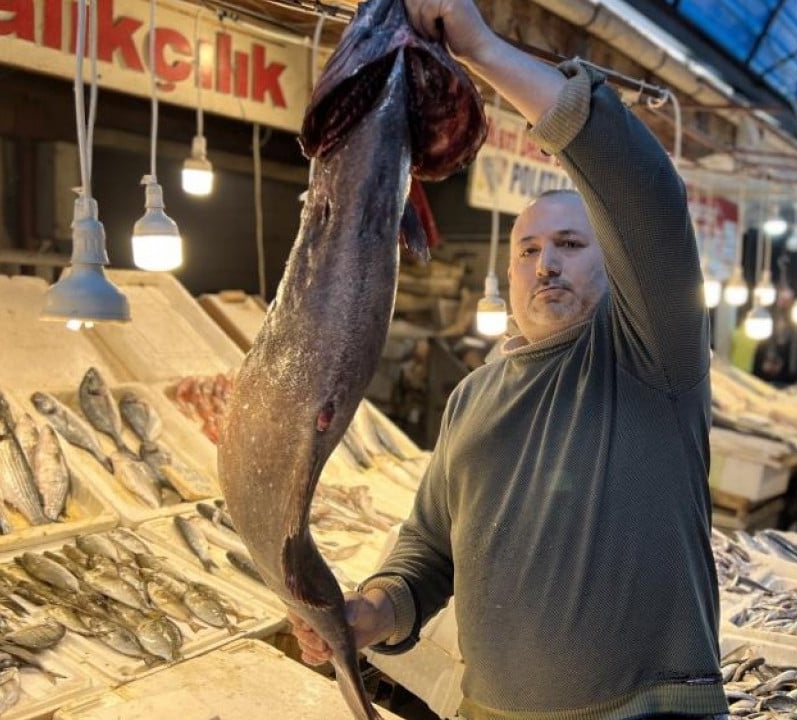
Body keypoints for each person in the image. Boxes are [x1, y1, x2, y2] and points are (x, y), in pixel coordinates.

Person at [290, 0, 727, 718]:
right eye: (528, 251)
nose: (545, 264)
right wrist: (371, 612)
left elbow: (643, 190)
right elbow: (429, 552)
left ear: (617, 264)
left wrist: (485, 51)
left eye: (571, 246)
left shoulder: (653, 358)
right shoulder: (474, 397)